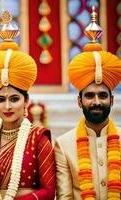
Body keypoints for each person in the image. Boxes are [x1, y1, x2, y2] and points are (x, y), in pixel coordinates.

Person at [0, 10, 56, 200]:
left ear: (26, 101)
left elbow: (49, 191)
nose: (8, 106)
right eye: (1, 100)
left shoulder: (39, 138)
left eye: (14, 99)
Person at [54, 9, 121, 200]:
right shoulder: (63, 144)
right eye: (90, 96)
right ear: (79, 101)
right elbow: (65, 197)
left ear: (112, 100)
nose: (97, 102)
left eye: (102, 95)